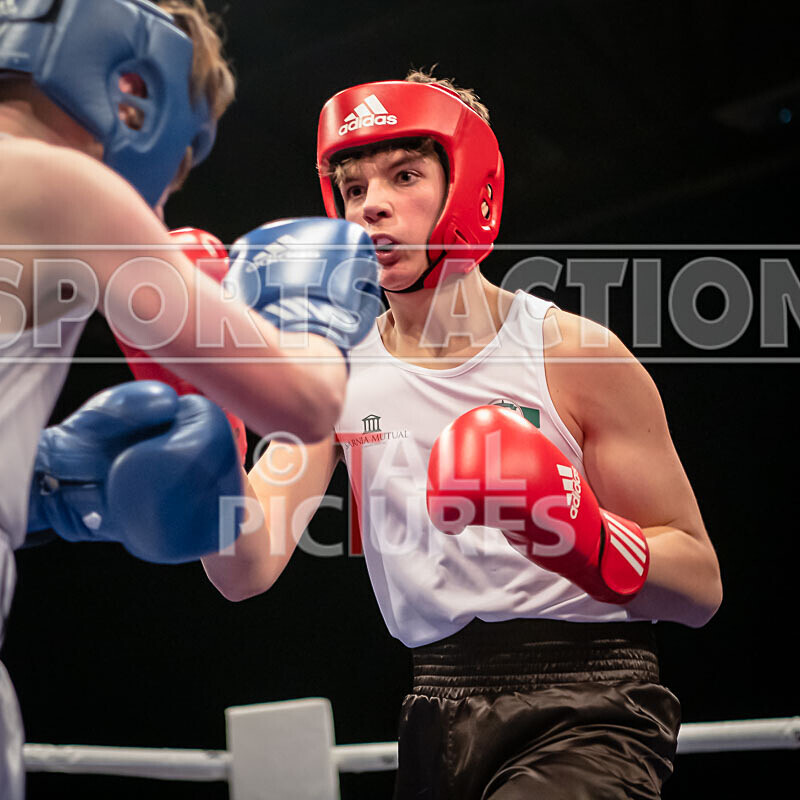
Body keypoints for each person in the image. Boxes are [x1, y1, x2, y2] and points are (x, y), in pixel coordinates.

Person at [202, 70, 723, 799]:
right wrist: (210, 448)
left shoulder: (573, 353)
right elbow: (244, 571)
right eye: (352, 189)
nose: (372, 205)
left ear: (468, 185)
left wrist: (584, 537)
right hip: (433, 710)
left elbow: (699, 584)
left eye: (405, 175)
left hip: (591, 705)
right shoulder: (331, 373)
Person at [0, 2, 379, 797]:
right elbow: (304, 404)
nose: (168, 188)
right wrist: (310, 314)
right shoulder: (67, 187)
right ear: (134, 97)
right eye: (182, 156)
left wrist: (41, 487)